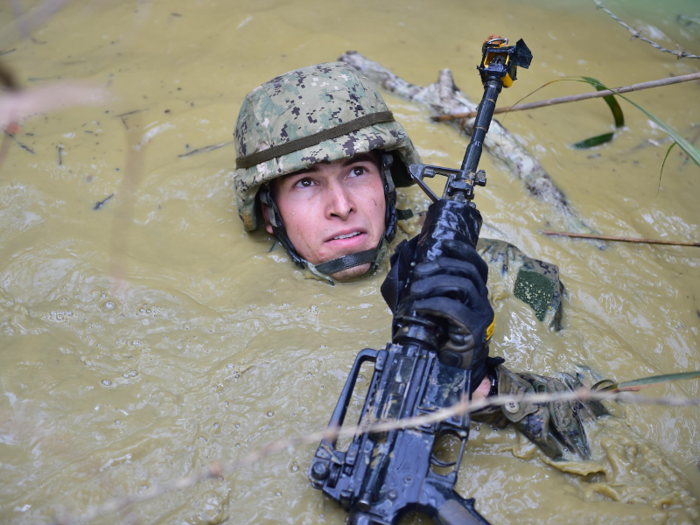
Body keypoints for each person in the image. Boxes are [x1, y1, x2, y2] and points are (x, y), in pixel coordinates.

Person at [232, 62, 601, 460]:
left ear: (388, 184)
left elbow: (603, 415)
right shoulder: (236, 313)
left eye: (357, 171)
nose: (341, 206)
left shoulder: (514, 273)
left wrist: (483, 383)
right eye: (306, 182)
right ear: (270, 213)